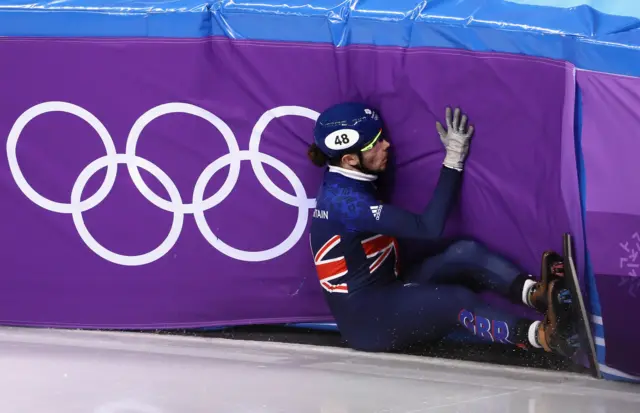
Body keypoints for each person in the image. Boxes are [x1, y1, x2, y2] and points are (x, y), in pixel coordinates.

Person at [306, 101, 577, 357]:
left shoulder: (346, 180)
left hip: (385, 291)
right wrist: (453, 160)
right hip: (370, 323)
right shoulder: (347, 204)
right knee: (456, 301)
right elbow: (429, 227)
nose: (387, 144)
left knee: (464, 252)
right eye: (376, 144)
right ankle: (546, 337)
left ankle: (537, 294)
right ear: (350, 160)